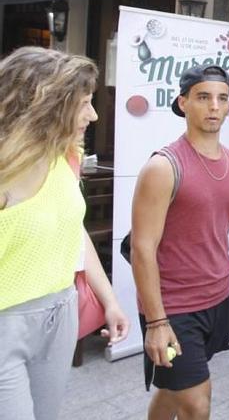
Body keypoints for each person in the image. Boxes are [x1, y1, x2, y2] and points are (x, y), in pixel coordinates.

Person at [130, 64, 229, 420]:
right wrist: (156, 322)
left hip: (217, 300)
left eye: (221, 98)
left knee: (175, 391)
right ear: (183, 103)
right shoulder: (164, 167)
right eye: (203, 97)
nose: (215, 106)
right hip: (173, 308)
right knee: (197, 404)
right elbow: (143, 248)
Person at [0, 47, 127, 420]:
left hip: (61, 314)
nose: (94, 114)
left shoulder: (66, 156)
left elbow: (75, 234)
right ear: (46, 103)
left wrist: (110, 300)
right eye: (84, 103)